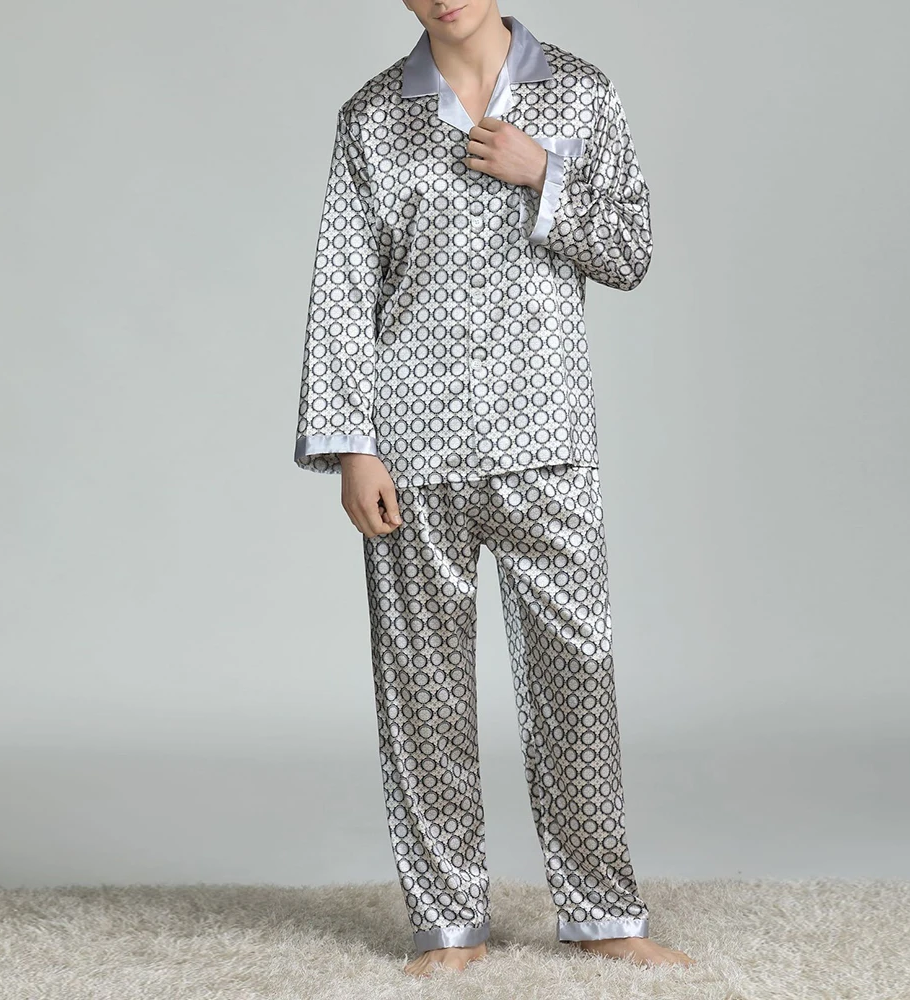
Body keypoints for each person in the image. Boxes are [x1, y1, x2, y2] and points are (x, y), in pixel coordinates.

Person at [293, 0, 697, 978]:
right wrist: (352, 448)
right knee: (421, 693)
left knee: (576, 682)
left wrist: (544, 174)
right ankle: (447, 925)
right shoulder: (371, 119)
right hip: (412, 450)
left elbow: (631, 251)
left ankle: (603, 913)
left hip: (546, 440)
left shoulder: (582, 94)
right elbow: (344, 289)